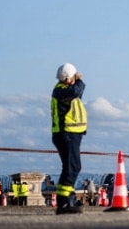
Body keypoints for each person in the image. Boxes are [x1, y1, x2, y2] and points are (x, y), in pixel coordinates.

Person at [51, 62, 88, 214]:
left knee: (69, 168)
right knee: (73, 167)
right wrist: (79, 80)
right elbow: (78, 89)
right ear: (68, 79)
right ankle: (64, 202)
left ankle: (66, 199)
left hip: (71, 134)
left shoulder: (65, 90)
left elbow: (78, 93)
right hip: (66, 134)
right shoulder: (61, 91)